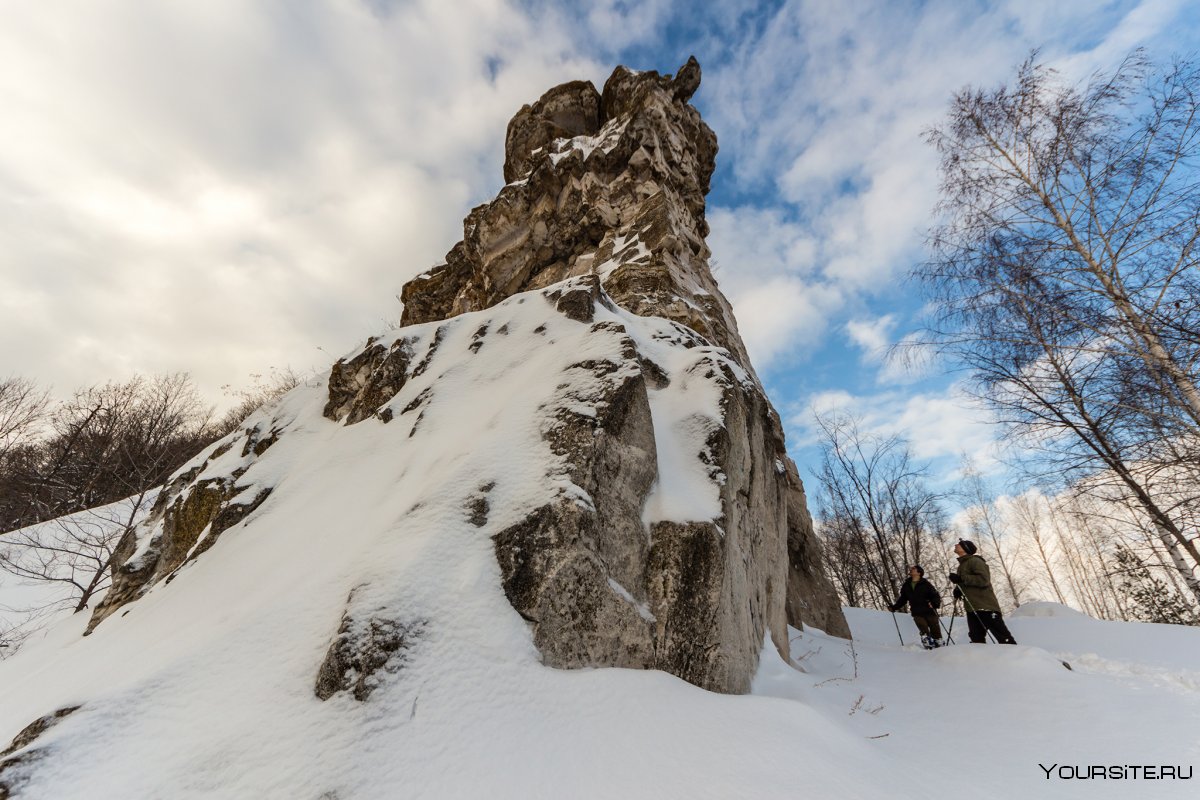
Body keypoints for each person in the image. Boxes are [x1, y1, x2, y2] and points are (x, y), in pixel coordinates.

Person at [948, 540, 1017, 644]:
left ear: (965, 548)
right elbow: (967, 582)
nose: (956, 545)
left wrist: (961, 578)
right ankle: (982, 659)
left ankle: (1017, 656)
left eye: (959, 544)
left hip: (986, 606)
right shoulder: (962, 565)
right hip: (972, 607)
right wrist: (959, 590)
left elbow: (984, 580)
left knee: (1003, 636)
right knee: (976, 639)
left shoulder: (975, 561)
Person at [889, 565, 943, 649]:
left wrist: (935, 603)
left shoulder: (926, 584)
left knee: (935, 629)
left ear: (919, 572)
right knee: (923, 628)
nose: (911, 570)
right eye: (911, 569)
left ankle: (940, 645)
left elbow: (935, 595)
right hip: (917, 612)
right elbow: (903, 599)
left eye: (913, 569)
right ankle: (928, 645)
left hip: (930, 611)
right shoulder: (906, 585)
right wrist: (894, 607)